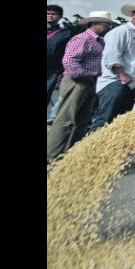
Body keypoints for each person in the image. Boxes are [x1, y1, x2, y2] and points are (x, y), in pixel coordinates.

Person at [47, 11, 116, 164]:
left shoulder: (100, 41)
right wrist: (84, 76)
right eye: (106, 24)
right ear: (95, 24)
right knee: (66, 118)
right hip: (77, 81)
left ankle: (71, 151)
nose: (108, 27)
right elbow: (70, 61)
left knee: (82, 119)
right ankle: (53, 154)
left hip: (90, 80)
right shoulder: (82, 38)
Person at [88, 2, 135, 132]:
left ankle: (107, 150)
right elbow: (111, 56)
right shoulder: (121, 31)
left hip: (132, 84)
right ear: (133, 15)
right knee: (104, 120)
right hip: (115, 81)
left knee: (118, 122)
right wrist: (122, 75)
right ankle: (88, 150)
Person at [47, 4, 72, 110]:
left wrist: (63, 71)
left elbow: (67, 52)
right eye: (48, 13)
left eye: (54, 14)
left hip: (52, 70)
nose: (50, 15)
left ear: (60, 17)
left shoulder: (66, 33)